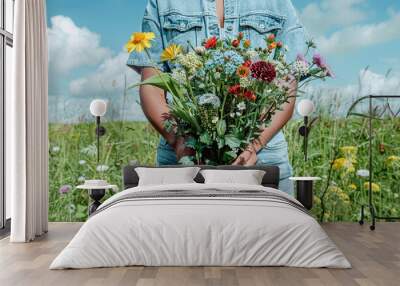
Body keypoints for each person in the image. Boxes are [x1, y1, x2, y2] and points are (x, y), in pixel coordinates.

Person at [127, 0, 309, 195]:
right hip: (183, 161)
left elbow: (286, 86)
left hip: (263, 158)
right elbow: (152, 85)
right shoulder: (161, 3)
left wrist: (254, 145)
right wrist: (180, 142)